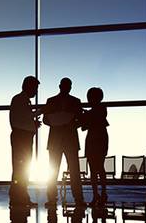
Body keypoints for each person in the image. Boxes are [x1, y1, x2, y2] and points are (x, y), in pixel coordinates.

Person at [44, 78, 85, 207]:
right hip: (69, 139)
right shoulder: (74, 102)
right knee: (68, 170)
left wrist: (59, 123)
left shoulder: (52, 101)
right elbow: (46, 119)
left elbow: (80, 120)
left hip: (58, 139)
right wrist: (68, 124)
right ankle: (77, 198)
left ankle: (54, 198)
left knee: (56, 170)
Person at [9, 76, 41, 206]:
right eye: (35, 88)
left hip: (22, 137)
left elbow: (20, 119)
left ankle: (19, 195)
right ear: (29, 87)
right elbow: (23, 118)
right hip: (22, 137)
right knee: (22, 167)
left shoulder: (20, 100)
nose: (36, 91)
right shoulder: (20, 100)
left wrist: (32, 124)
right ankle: (19, 196)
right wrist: (40, 111)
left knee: (21, 167)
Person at [81, 87, 109, 206]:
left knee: (95, 169)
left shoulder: (99, 110)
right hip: (99, 139)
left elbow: (85, 125)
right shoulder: (100, 110)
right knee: (97, 168)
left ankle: (99, 194)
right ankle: (100, 194)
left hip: (94, 140)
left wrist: (84, 114)